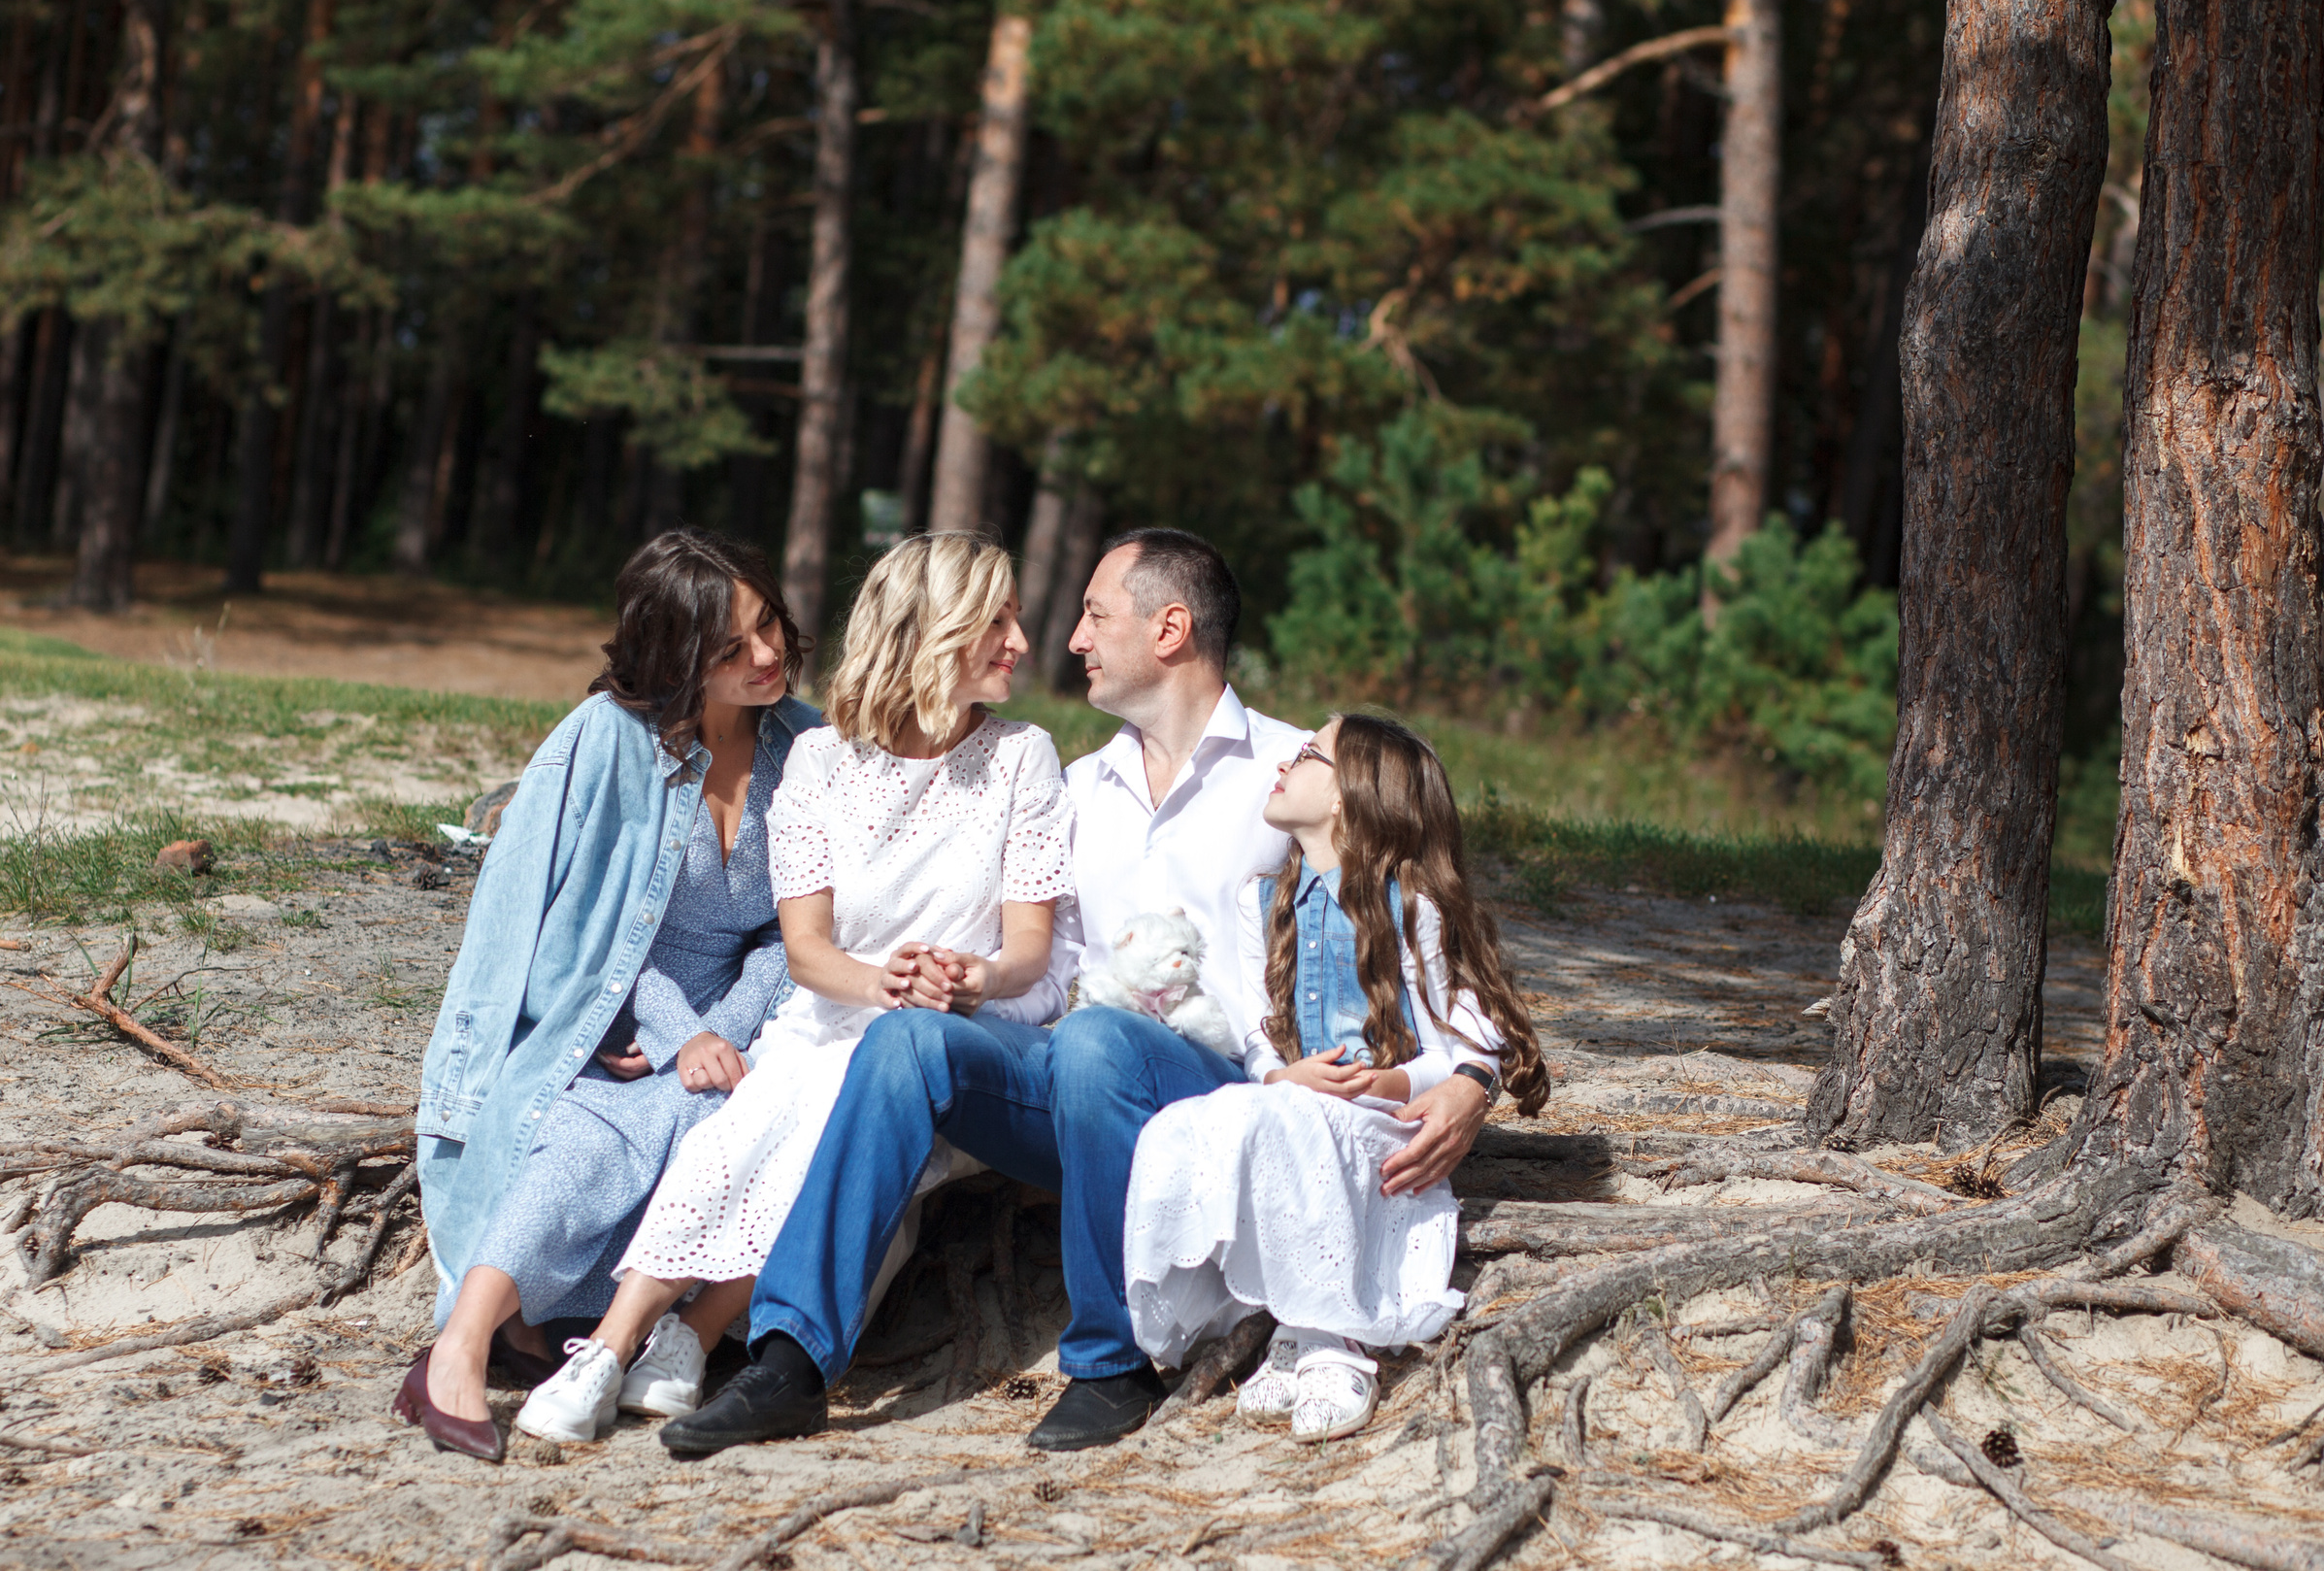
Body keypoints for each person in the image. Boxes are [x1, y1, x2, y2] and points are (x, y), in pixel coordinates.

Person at [660, 529, 1390, 1456]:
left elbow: (1397, 933)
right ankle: (790, 1361)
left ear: (1170, 629)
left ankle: (1109, 1361)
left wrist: (1452, 1081)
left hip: (1231, 1084)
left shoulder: (1293, 775)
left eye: (1093, 614)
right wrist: (967, 985)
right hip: (1078, 1082)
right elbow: (1047, 964)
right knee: (910, 1038)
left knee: (1096, 1041)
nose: (1070, 639)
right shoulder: (1077, 784)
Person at [510, 532, 1073, 1443]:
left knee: (819, 1122)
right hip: (829, 1011)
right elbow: (806, 949)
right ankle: (624, 1347)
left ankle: (673, 1339)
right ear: (932, 631)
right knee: (745, 1128)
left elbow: (1028, 952)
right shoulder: (820, 761)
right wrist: (880, 979)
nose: (1019, 641)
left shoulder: (1024, 758)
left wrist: (972, 977)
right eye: (994, 619)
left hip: (956, 1038)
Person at [397, 530, 822, 1463]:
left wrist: (723, 1033)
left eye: (768, 626)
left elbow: (796, 931)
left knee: (711, 1125)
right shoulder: (607, 741)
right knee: (595, 1135)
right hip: (600, 1014)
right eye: (730, 648)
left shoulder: (807, 746)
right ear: (677, 658)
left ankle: (582, 1336)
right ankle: (456, 1349)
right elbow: (577, 925)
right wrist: (671, 1032)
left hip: (749, 1026)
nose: (765, 656)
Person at [1123, 714, 1549, 1442]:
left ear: (1347, 798)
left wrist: (1394, 1083)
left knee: (1294, 1120)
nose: (1288, 757)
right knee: (1192, 1123)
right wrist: (1281, 1071)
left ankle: (1333, 1336)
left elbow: (1465, 1037)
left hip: (1379, 1122)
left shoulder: (1410, 907)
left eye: (1311, 751)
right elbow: (1255, 1023)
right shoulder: (1262, 902)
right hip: (1299, 1100)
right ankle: (1277, 1315)